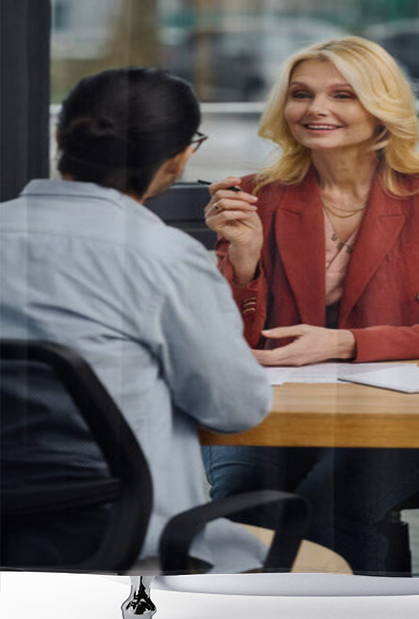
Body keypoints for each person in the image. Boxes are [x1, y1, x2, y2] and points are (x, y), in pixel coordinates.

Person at [201, 37, 419, 573]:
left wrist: (344, 343)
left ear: (381, 108)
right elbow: (231, 345)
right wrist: (243, 260)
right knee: (242, 514)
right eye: (301, 94)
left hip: (404, 408)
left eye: (343, 95)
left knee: (323, 515)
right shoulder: (255, 195)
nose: (316, 109)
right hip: (278, 407)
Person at [0, 67, 277, 573]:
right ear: (178, 160)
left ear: (60, 136)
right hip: (132, 545)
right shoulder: (163, 257)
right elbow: (236, 409)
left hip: (9, 542)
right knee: (329, 569)